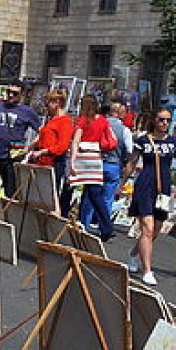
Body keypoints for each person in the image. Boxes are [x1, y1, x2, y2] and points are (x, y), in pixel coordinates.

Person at [124, 110, 176, 285]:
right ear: (154, 121)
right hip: (145, 186)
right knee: (147, 228)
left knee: (155, 230)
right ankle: (147, 270)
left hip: (163, 187)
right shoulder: (143, 141)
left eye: (167, 120)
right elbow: (132, 162)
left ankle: (133, 254)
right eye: (161, 119)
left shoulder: (173, 142)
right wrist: (122, 183)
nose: (164, 123)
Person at [0, 83, 41, 214]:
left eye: (15, 93)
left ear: (21, 95)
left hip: (12, 158)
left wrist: (30, 147)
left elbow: (42, 132)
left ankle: (10, 220)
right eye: (8, 92)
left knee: (11, 193)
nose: (10, 95)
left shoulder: (27, 112)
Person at [68, 94, 115, 241]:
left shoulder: (82, 121)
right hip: (96, 158)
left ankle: (67, 217)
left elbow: (76, 141)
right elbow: (111, 138)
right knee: (95, 194)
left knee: (69, 188)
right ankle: (106, 226)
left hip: (83, 156)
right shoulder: (102, 120)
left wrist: (72, 161)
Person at [26, 89, 74, 214]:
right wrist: (30, 148)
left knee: (50, 196)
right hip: (41, 162)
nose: (46, 105)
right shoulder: (51, 120)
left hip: (53, 163)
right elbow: (43, 137)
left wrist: (42, 152)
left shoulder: (65, 121)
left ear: (57, 102)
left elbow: (62, 146)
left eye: (48, 102)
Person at [101, 100, 134, 229]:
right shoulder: (124, 130)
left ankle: (85, 223)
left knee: (91, 194)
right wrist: (125, 161)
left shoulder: (100, 124)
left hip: (97, 163)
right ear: (120, 113)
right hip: (114, 164)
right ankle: (104, 226)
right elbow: (130, 150)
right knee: (108, 197)